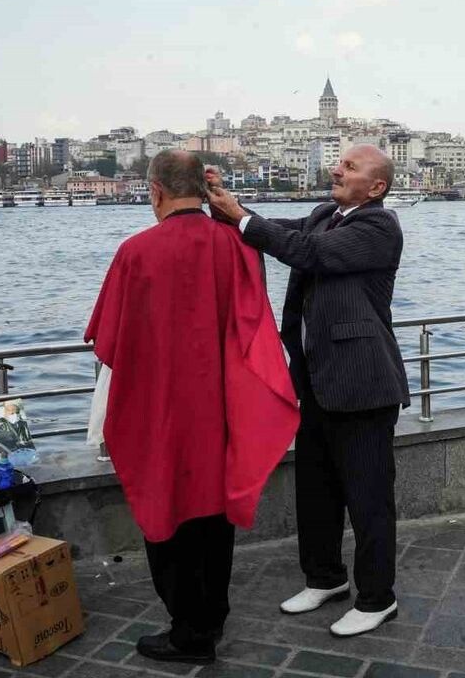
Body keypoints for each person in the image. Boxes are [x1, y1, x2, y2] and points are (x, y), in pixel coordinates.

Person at [84, 149, 299, 664]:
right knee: (211, 514)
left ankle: (188, 631)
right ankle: (211, 618)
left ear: (155, 190)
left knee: (165, 508)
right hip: (218, 408)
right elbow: (253, 325)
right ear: (203, 190)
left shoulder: (135, 252)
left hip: (159, 410)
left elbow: (108, 342)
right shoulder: (235, 246)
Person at [207, 144, 409, 638]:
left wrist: (240, 218)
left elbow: (308, 253)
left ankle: (378, 598)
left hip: (363, 386)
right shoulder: (325, 213)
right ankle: (325, 579)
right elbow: (279, 231)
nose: (336, 169)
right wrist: (220, 201)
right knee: (315, 492)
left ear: (376, 186)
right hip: (317, 381)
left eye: (350, 167)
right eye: (340, 163)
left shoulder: (379, 227)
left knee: (369, 500)